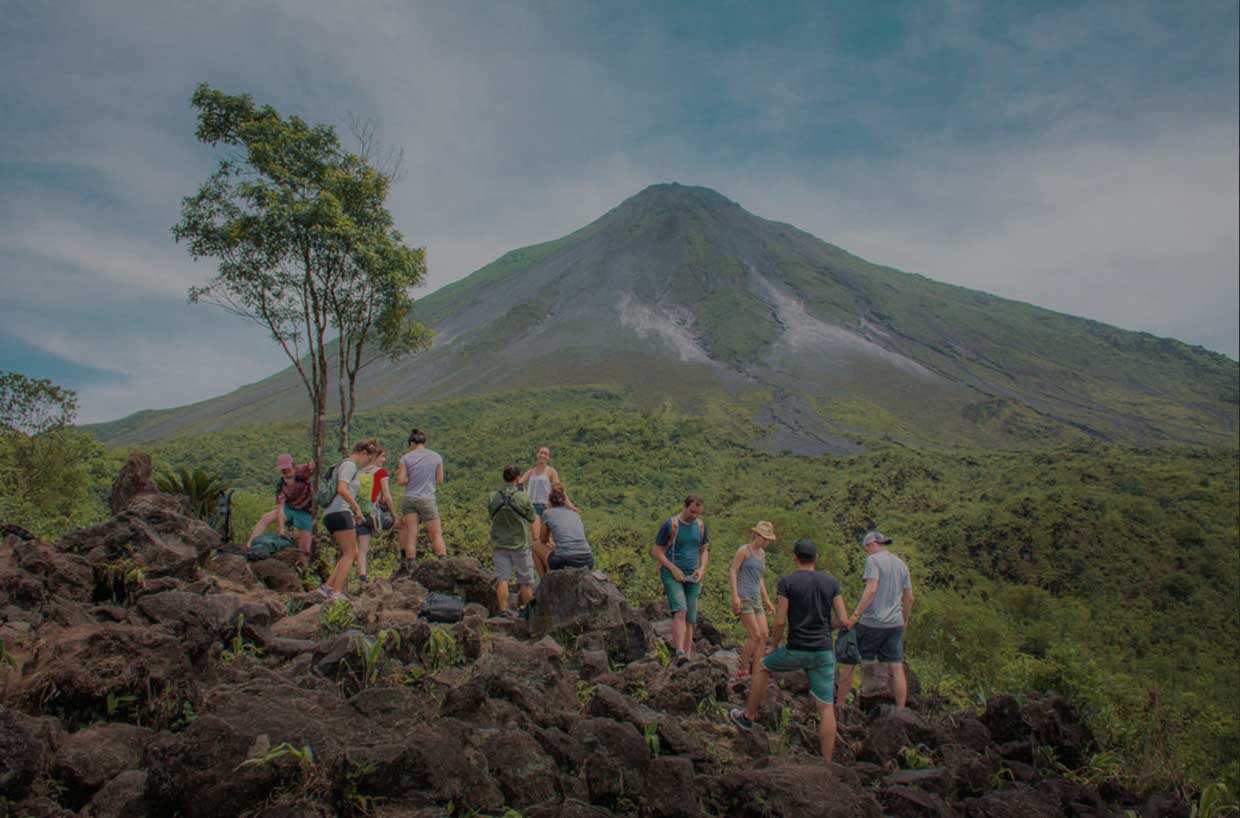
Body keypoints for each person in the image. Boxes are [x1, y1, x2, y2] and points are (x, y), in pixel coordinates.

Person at [729, 538, 851, 761]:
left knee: (764, 666)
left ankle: (748, 716)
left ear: (794, 557)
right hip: (824, 650)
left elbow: (779, 622)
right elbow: (843, 620)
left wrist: (774, 646)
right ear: (816, 558)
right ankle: (827, 762)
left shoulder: (788, 582)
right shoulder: (831, 582)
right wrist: (825, 626)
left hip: (797, 648)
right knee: (826, 707)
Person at [834, 531, 914, 710]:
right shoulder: (901, 564)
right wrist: (904, 620)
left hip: (872, 622)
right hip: (895, 623)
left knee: (849, 661)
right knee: (896, 666)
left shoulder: (873, 560)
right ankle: (901, 711)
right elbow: (909, 597)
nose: (866, 553)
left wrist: (855, 616)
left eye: (866, 549)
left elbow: (871, 588)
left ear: (870, 545)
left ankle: (839, 706)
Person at [319, 439, 381, 599]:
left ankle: (327, 587)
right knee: (352, 553)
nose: (368, 463)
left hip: (331, 513)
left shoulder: (342, 465)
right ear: (363, 453)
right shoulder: (349, 465)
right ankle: (337, 592)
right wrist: (356, 508)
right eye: (369, 459)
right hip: (340, 511)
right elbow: (342, 489)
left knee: (348, 552)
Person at [652, 494, 709, 662]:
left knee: (691, 616)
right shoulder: (671, 525)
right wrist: (673, 568)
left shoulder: (700, 526)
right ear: (684, 507)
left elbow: (704, 550)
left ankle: (688, 655)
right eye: (692, 511)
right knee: (680, 610)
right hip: (672, 573)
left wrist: (702, 568)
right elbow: (656, 551)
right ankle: (679, 651)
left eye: (698, 512)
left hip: (693, 575)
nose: (694, 515)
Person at [394, 428, 446, 577]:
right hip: (427, 499)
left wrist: (412, 479)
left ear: (412, 443)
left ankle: (410, 567)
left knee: (411, 534)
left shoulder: (406, 458)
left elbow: (400, 480)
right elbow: (440, 480)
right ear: (424, 442)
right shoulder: (436, 457)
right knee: (436, 534)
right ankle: (444, 563)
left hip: (409, 498)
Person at [730, 521, 777, 679]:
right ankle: (743, 667)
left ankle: (757, 669)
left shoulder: (762, 554)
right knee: (755, 634)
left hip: (756, 598)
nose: (766, 542)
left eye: (768, 539)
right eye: (764, 538)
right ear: (756, 535)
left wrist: (767, 600)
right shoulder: (744, 551)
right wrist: (735, 596)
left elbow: (760, 578)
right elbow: (734, 572)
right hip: (745, 596)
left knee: (764, 634)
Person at [520, 446, 577, 576]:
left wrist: (570, 506)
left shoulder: (551, 471)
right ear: (537, 454)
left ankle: (552, 569)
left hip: (547, 507)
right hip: (533, 507)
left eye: (546, 454)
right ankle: (543, 575)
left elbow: (559, 490)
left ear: (548, 457)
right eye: (541, 453)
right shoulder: (531, 471)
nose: (543, 455)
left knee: (547, 540)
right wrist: (524, 495)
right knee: (535, 539)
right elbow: (519, 483)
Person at [245, 454, 315, 560]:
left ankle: (305, 571)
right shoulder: (281, 485)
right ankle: (248, 546)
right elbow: (280, 507)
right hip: (289, 509)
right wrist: (281, 527)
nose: (286, 471)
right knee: (266, 518)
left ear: (292, 465)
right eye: (283, 469)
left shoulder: (302, 471)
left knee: (305, 549)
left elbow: (314, 464)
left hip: (306, 513)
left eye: (287, 468)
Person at [489, 464, 537, 617]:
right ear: (518, 478)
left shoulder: (493, 497)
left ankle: (503, 611)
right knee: (525, 580)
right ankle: (529, 614)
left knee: (503, 579)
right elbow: (531, 518)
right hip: (520, 544)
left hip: (500, 543)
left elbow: (491, 515)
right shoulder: (523, 497)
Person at [354, 447, 397, 588]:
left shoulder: (358, 472)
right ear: (374, 457)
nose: (384, 460)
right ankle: (407, 563)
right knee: (403, 526)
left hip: (359, 515)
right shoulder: (380, 472)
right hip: (374, 516)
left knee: (362, 549)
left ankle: (363, 579)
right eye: (382, 457)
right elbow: (388, 496)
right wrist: (394, 516)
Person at [540, 485, 594, 570]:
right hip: (588, 559)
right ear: (564, 501)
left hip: (565, 560)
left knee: (535, 545)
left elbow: (543, 539)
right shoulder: (575, 513)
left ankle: (546, 580)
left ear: (549, 501)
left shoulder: (547, 513)